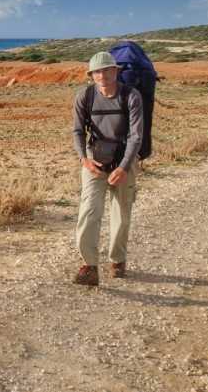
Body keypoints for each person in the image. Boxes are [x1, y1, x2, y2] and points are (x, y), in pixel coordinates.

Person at [71, 51, 144, 286]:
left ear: (116, 71)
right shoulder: (85, 96)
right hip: (94, 161)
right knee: (89, 212)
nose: (102, 75)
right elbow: (77, 131)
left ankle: (118, 259)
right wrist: (84, 159)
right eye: (97, 71)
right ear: (91, 75)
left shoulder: (131, 96)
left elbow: (136, 136)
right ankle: (89, 265)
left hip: (125, 161)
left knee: (121, 216)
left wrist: (124, 167)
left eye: (107, 70)